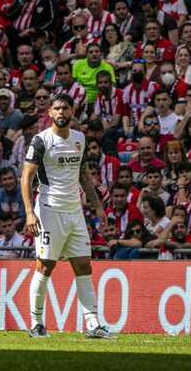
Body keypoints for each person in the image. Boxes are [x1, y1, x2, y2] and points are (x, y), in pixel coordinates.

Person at [21, 93, 111, 338]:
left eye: (65, 108)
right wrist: (29, 213)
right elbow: (26, 176)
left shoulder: (80, 139)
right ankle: (37, 323)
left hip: (75, 211)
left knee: (84, 265)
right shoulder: (41, 140)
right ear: (50, 112)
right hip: (49, 210)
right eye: (57, 108)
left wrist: (98, 206)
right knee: (45, 265)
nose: (61, 112)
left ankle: (92, 324)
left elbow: (84, 176)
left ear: (72, 112)